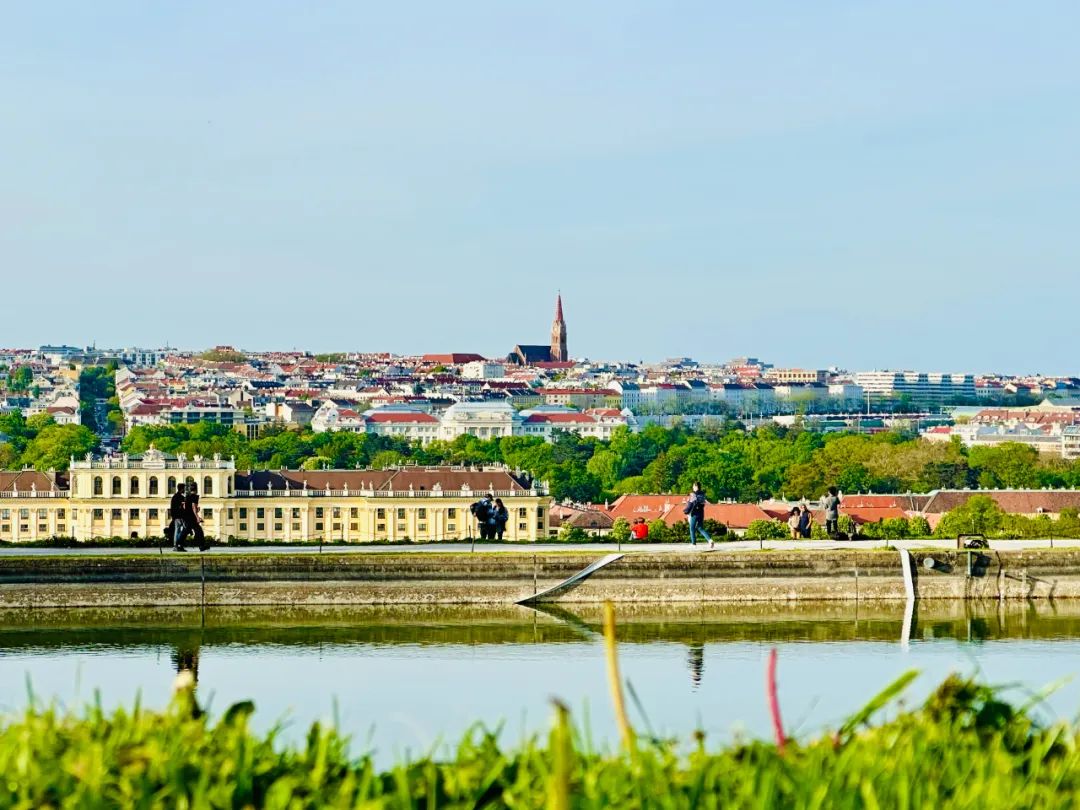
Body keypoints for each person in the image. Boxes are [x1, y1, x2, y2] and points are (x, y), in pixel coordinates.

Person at [179, 482, 209, 551]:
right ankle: (201, 546)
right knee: (199, 531)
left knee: (186, 531)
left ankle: (179, 544)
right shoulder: (195, 496)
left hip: (187, 516)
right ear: (196, 489)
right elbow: (193, 507)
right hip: (191, 517)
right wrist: (197, 517)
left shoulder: (187, 496)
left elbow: (184, 506)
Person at [683, 482, 714, 549]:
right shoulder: (702, 494)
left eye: (693, 486)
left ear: (696, 486)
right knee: (700, 528)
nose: (692, 487)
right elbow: (704, 502)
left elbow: (690, 504)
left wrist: (686, 511)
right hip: (701, 512)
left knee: (692, 528)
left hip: (695, 513)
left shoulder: (693, 494)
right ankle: (710, 540)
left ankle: (693, 544)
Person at [169, 482, 188, 551]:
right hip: (179, 516)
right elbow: (182, 508)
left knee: (178, 530)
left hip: (177, 516)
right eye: (184, 489)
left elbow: (172, 508)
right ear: (182, 489)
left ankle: (177, 545)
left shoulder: (175, 497)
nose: (184, 490)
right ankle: (178, 545)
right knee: (180, 531)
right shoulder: (180, 497)